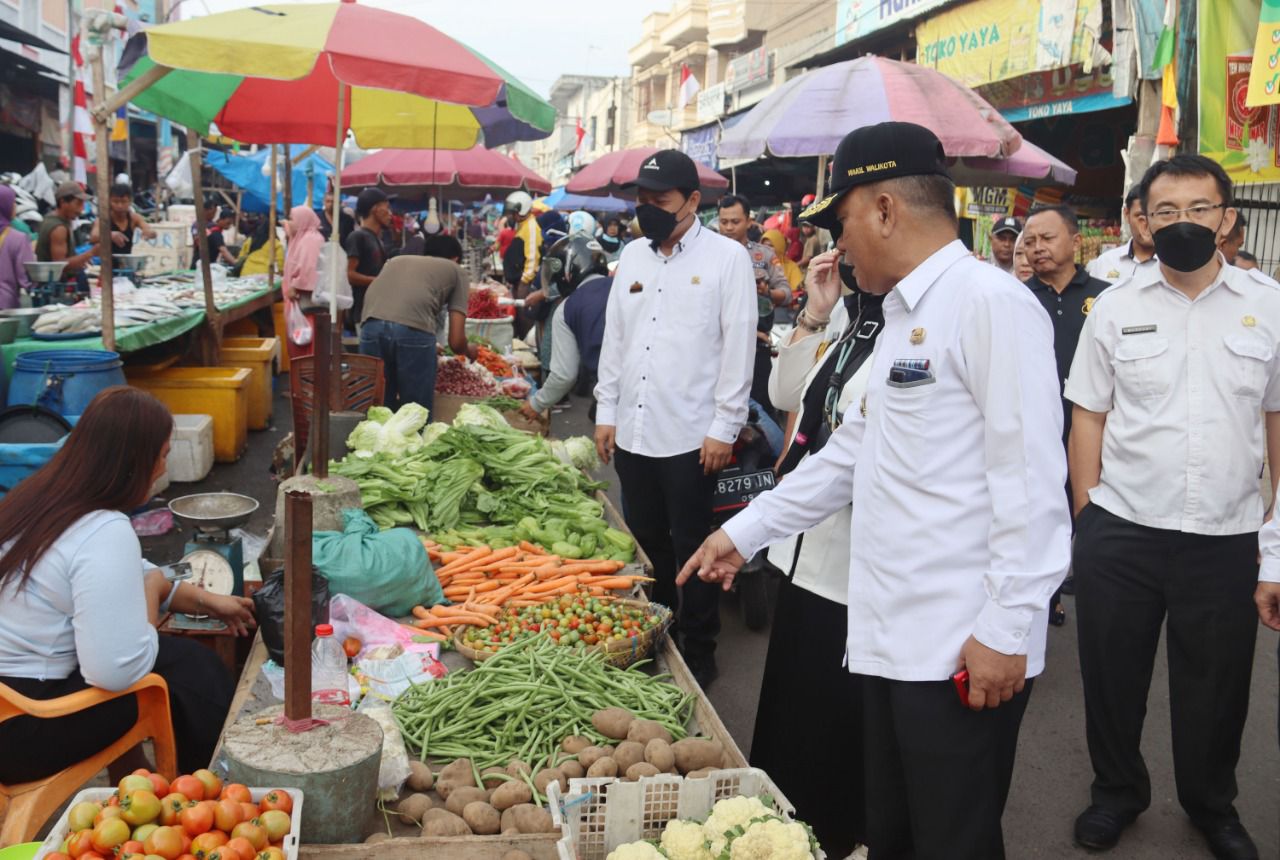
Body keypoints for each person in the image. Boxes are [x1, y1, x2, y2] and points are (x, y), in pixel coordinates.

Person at [677, 122, 1070, 859]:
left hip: (959, 648)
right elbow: (849, 453)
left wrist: (1007, 630)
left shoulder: (990, 304)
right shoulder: (899, 316)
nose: (838, 244)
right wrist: (743, 533)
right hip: (887, 639)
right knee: (890, 832)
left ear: (886, 209)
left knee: (950, 838)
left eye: (844, 220)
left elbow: (1033, 484)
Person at [1066, 154, 1276, 860]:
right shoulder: (1116, 305)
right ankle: (1116, 793)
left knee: (1217, 691)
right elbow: (1088, 414)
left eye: (1198, 209)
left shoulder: (1268, 306)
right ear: (1143, 223)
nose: (1183, 222)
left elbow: (1277, 430)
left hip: (1224, 536)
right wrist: (1087, 517)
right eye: (1166, 212)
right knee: (1111, 678)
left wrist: (1275, 549)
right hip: (1122, 531)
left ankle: (1212, 806)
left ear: (1226, 220)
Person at [0, 387, 253, 783]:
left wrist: (206, 601)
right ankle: (204, 794)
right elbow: (116, 671)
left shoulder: (38, 499)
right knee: (193, 671)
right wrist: (151, 593)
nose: (162, 470)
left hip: (10, 704)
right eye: (163, 455)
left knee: (170, 658)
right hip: (24, 730)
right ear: (135, 461)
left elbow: (133, 573)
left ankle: (135, 778)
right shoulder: (103, 529)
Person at [594, 149, 755, 690]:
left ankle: (700, 644)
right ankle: (658, 634)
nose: (648, 210)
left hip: (692, 435)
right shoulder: (633, 257)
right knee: (647, 542)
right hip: (636, 433)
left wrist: (724, 426)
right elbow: (616, 341)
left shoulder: (726, 260)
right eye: (642, 200)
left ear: (691, 201)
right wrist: (606, 411)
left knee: (696, 546)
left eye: (658, 201)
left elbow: (738, 347)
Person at [750, 235, 885, 857]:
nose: (845, 257)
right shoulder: (851, 324)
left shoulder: (913, 332)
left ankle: (839, 836)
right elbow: (785, 395)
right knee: (792, 707)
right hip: (801, 552)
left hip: (859, 564)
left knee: (839, 717)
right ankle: (781, 828)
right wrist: (815, 313)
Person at [1021, 204, 1110, 624]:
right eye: (1030, 240)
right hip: (1033, 432)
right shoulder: (1016, 299)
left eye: (1047, 238)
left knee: (1088, 517)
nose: (1037, 248)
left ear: (1075, 242)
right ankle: (1044, 595)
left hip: (1092, 432)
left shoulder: (1107, 298)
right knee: (1037, 516)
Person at [360, 233, 478, 415]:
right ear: (456, 258)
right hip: (412, 330)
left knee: (377, 407)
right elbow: (456, 342)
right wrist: (469, 349)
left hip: (370, 326)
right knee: (415, 412)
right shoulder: (456, 270)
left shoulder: (396, 260)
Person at [718, 194, 791, 419]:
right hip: (717, 345)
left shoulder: (764, 255)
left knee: (760, 411)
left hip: (757, 345)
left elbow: (786, 294)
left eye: (735, 221)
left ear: (748, 221)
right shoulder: (708, 255)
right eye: (724, 222)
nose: (729, 227)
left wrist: (766, 292)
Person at [521, 235, 611, 421]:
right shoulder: (624, 286)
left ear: (568, 270)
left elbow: (564, 375)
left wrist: (536, 403)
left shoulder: (567, 308)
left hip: (616, 396)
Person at [1087, 186, 1158, 284]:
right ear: (1126, 214)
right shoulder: (1105, 262)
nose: (1147, 224)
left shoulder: (1174, 268)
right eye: (1140, 216)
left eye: (1154, 215)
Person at [281, 205, 325, 362]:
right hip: (302, 305)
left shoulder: (311, 240)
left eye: (292, 219)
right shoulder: (302, 238)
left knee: (308, 349)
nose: (289, 223)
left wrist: (295, 286)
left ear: (302, 220)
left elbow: (310, 268)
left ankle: (309, 384)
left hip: (308, 305)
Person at [345, 189, 393, 330]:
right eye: (387, 208)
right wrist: (379, 281)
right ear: (375, 209)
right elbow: (350, 274)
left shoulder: (377, 239)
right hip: (363, 314)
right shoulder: (357, 237)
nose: (390, 214)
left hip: (379, 312)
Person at [501, 191, 542, 338]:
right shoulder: (523, 225)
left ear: (521, 210)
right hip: (519, 283)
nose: (511, 216)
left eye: (513, 212)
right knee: (519, 320)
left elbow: (532, 258)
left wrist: (524, 284)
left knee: (526, 321)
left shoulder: (531, 226)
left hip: (525, 284)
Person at [36, 181, 94, 275]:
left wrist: (80, 260)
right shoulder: (59, 228)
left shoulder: (50, 218)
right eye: (78, 203)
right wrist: (90, 253)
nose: (81, 209)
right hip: (56, 285)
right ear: (63, 202)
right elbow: (60, 265)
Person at [89, 183, 156, 255]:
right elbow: (93, 238)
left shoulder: (134, 218)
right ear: (109, 201)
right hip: (106, 261)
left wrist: (148, 232)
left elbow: (149, 230)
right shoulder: (103, 219)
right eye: (115, 202)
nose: (120, 205)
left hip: (126, 260)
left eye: (123, 202)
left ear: (130, 201)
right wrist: (110, 235)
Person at [0, 186, 34, 309]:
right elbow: (26, 277)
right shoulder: (17, 238)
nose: (15, 206)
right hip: (5, 306)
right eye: (13, 202)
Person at [762, 228, 803, 292]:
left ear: (779, 247)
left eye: (771, 246)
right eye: (764, 245)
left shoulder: (791, 267)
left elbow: (796, 289)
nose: (766, 249)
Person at [317, 183, 354, 247]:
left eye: (333, 201)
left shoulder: (347, 219)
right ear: (324, 202)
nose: (331, 204)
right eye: (328, 201)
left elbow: (350, 239)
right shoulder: (317, 218)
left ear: (339, 203)